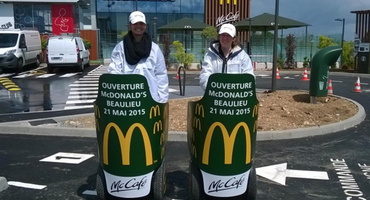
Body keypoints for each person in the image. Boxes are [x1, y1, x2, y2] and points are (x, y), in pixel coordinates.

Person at [107, 11, 169, 103]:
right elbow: (114, 72)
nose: (138, 26)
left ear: (145, 26)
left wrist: (162, 100)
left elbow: (161, 75)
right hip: (128, 99)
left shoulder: (155, 49)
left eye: (141, 23)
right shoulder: (120, 48)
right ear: (130, 25)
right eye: (135, 23)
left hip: (151, 98)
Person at [199, 23, 254, 90]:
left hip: (235, 97)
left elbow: (249, 76)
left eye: (228, 35)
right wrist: (213, 89)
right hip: (214, 96)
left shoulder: (242, 56)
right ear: (219, 36)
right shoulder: (210, 54)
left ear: (233, 38)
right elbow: (205, 75)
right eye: (223, 35)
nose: (225, 38)